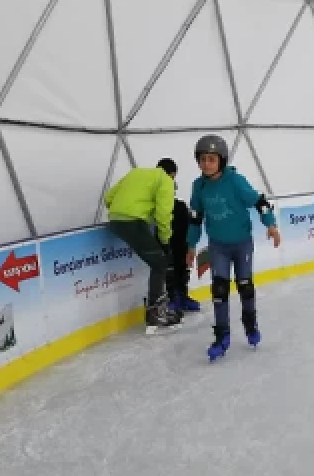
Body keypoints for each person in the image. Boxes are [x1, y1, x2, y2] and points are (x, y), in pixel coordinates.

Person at [184, 135, 281, 361]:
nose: (206, 164)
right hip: (218, 245)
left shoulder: (235, 181)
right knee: (219, 290)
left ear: (222, 160)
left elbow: (260, 202)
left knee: (245, 285)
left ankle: (250, 325)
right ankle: (222, 336)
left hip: (241, 243)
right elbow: (196, 218)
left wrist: (271, 225)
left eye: (211, 159)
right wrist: (191, 245)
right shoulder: (199, 186)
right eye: (203, 159)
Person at [103, 160, 181, 334]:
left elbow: (108, 198)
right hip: (133, 223)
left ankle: (156, 310)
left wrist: (119, 212)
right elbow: (163, 213)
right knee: (160, 264)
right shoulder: (165, 180)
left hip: (116, 221)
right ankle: (156, 313)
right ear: (172, 174)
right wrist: (165, 240)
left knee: (156, 262)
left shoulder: (136, 173)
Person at [156, 158, 201, 317]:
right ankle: (173, 297)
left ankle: (182, 295)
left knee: (182, 263)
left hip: (177, 233)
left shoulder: (177, 201)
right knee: (170, 265)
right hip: (164, 229)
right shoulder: (156, 184)